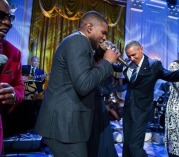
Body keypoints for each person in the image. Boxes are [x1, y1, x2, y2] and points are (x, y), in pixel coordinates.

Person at [35, 10, 119, 157]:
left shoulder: (79, 42)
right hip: (65, 125)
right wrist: (107, 62)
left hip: (68, 125)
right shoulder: (78, 41)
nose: (105, 37)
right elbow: (84, 84)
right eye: (103, 32)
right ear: (89, 27)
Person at [121, 40, 179, 157]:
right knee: (126, 145)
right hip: (128, 110)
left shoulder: (154, 64)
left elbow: (169, 75)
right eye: (128, 56)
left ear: (141, 49)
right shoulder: (128, 61)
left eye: (134, 55)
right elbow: (117, 66)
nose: (131, 58)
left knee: (134, 146)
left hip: (141, 111)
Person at [87, 47, 125, 157]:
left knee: (103, 142)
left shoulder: (103, 68)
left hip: (99, 108)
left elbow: (115, 84)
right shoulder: (95, 69)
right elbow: (107, 88)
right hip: (91, 109)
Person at [0, 0, 25, 154]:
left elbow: (20, 86)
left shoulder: (14, 53)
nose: (8, 23)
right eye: (1, 16)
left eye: (10, 18)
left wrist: (14, 95)